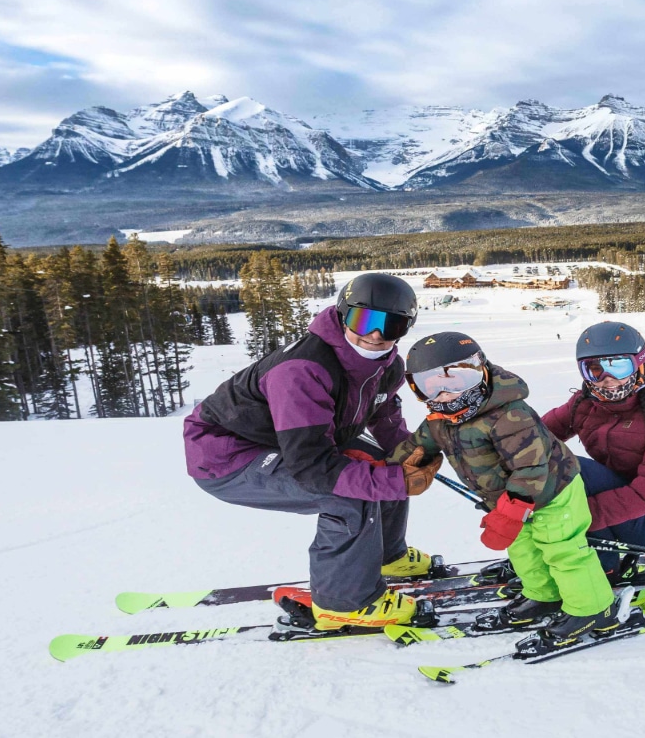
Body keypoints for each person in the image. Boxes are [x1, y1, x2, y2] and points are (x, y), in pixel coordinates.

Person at [182, 273, 442, 631]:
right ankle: (344, 602)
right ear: (341, 314)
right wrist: (393, 481)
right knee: (350, 493)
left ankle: (386, 556)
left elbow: (383, 416)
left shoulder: (387, 365)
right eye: (364, 320)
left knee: (385, 465)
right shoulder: (303, 369)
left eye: (392, 324)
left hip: (295, 437)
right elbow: (313, 467)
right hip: (227, 454)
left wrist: (412, 453)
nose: (376, 335)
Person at [389, 332, 617, 648]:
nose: (446, 393)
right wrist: (388, 467)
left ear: (482, 372)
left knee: (561, 549)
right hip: (507, 500)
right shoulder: (440, 420)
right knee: (523, 548)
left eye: (458, 379)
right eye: (432, 385)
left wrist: (512, 512)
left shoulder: (510, 415)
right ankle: (544, 595)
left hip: (552, 492)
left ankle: (593, 609)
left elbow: (531, 468)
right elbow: (416, 446)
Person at [541, 321, 645, 576]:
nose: (608, 380)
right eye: (594, 369)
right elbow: (537, 439)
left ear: (640, 364)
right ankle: (574, 550)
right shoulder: (585, 402)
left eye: (618, 366)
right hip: (624, 507)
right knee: (553, 462)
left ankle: (605, 568)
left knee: (574, 470)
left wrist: (573, 516)